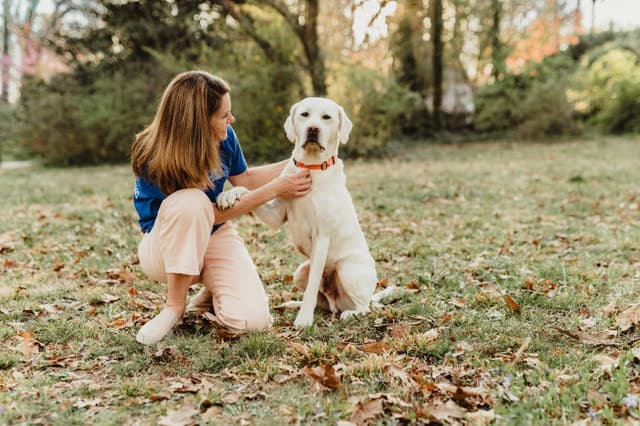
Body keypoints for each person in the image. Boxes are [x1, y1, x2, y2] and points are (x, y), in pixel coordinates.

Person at [130, 70, 312, 345]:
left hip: (213, 237)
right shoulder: (152, 152)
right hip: (164, 248)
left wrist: (301, 160)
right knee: (192, 202)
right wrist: (275, 190)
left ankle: (213, 293)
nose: (231, 119)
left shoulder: (225, 137)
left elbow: (246, 179)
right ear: (198, 122)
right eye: (224, 115)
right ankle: (174, 307)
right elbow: (206, 213)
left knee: (252, 322)